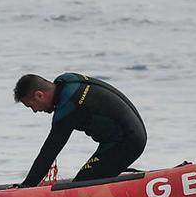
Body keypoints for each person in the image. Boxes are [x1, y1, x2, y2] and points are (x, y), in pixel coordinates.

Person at [14, 72, 147, 188]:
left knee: (81, 186)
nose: (35, 111)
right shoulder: (67, 80)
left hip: (127, 142)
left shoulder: (69, 107)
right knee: (88, 178)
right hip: (129, 135)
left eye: (31, 106)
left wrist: (28, 185)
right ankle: (119, 175)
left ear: (39, 95)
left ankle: (127, 182)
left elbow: (49, 152)